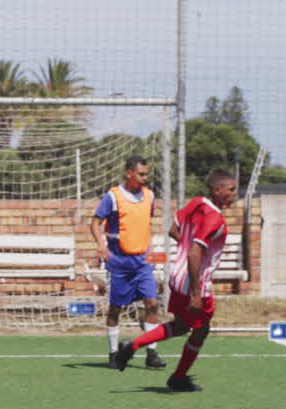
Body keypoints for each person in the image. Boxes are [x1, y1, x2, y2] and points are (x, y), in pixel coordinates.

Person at [111, 170, 239, 392]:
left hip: (177, 277)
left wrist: (188, 246)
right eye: (232, 189)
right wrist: (196, 294)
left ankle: (133, 345)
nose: (235, 193)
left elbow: (173, 230)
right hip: (194, 282)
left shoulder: (197, 202)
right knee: (201, 330)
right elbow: (195, 252)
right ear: (217, 190)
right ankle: (178, 378)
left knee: (181, 326)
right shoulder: (214, 218)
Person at [90, 156, 166, 369]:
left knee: (152, 304)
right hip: (120, 263)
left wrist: (150, 251)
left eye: (146, 174)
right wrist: (102, 245)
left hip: (142, 262)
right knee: (116, 309)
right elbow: (95, 223)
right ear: (129, 173)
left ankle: (152, 353)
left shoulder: (149, 196)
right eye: (141, 174)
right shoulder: (113, 197)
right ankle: (113, 354)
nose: (145, 178)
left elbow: (145, 224)